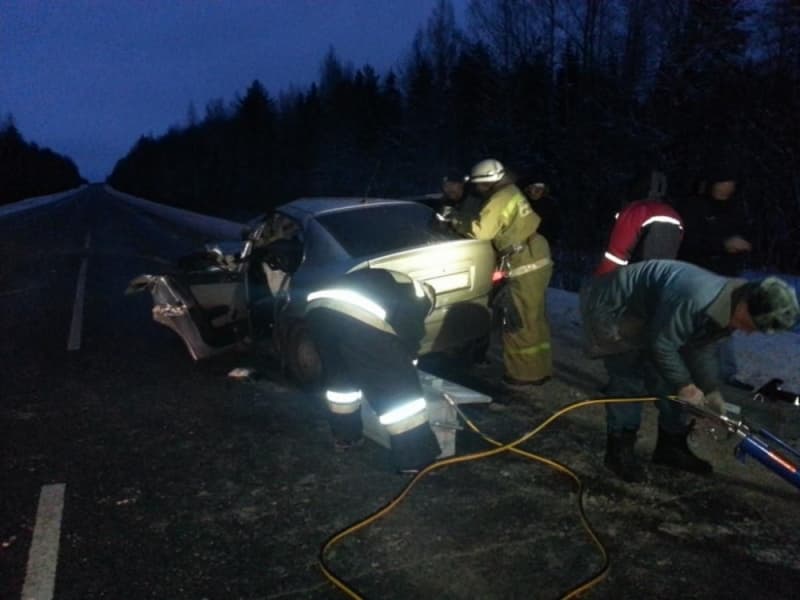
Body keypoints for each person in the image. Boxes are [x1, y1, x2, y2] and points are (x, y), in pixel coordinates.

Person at [580, 259, 799, 483]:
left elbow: (701, 348)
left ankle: (670, 448)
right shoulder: (696, 297)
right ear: (745, 305)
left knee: (671, 379)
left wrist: (710, 390)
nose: (750, 332)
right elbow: (662, 345)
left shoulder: (729, 305)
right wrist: (685, 385)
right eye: (752, 324)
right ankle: (618, 451)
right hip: (617, 308)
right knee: (629, 375)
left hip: (653, 313)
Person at [304, 268, 442, 472]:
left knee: (342, 381)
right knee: (399, 391)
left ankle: (346, 437)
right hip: (356, 312)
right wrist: (408, 369)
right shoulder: (420, 297)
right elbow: (408, 340)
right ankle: (415, 459)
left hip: (318, 312)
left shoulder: (397, 282)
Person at [457, 158, 554, 387]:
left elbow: (480, 232)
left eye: (479, 185)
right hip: (536, 252)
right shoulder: (511, 191)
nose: (478, 189)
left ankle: (523, 374)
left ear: (488, 182)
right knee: (534, 317)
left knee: (517, 319)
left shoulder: (499, 198)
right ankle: (540, 368)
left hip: (523, 259)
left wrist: (456, 221)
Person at [678, 168, 753, 388]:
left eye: (729, 181)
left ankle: (725, 374)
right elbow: (689, 241)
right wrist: (721, 245)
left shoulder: (737, 208)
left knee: (725, 325)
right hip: (698, 274)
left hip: (727, 276)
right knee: (693, 325)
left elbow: (747, 234)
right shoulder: (695, 206)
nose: (726, 186)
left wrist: (742, 247)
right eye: (721, 181)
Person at [594, 170, 684, 276]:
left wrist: (599, 282)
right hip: (660, 282)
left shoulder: (636, 210)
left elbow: (615, 256)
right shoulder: (674, 214)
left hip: (635, 279)